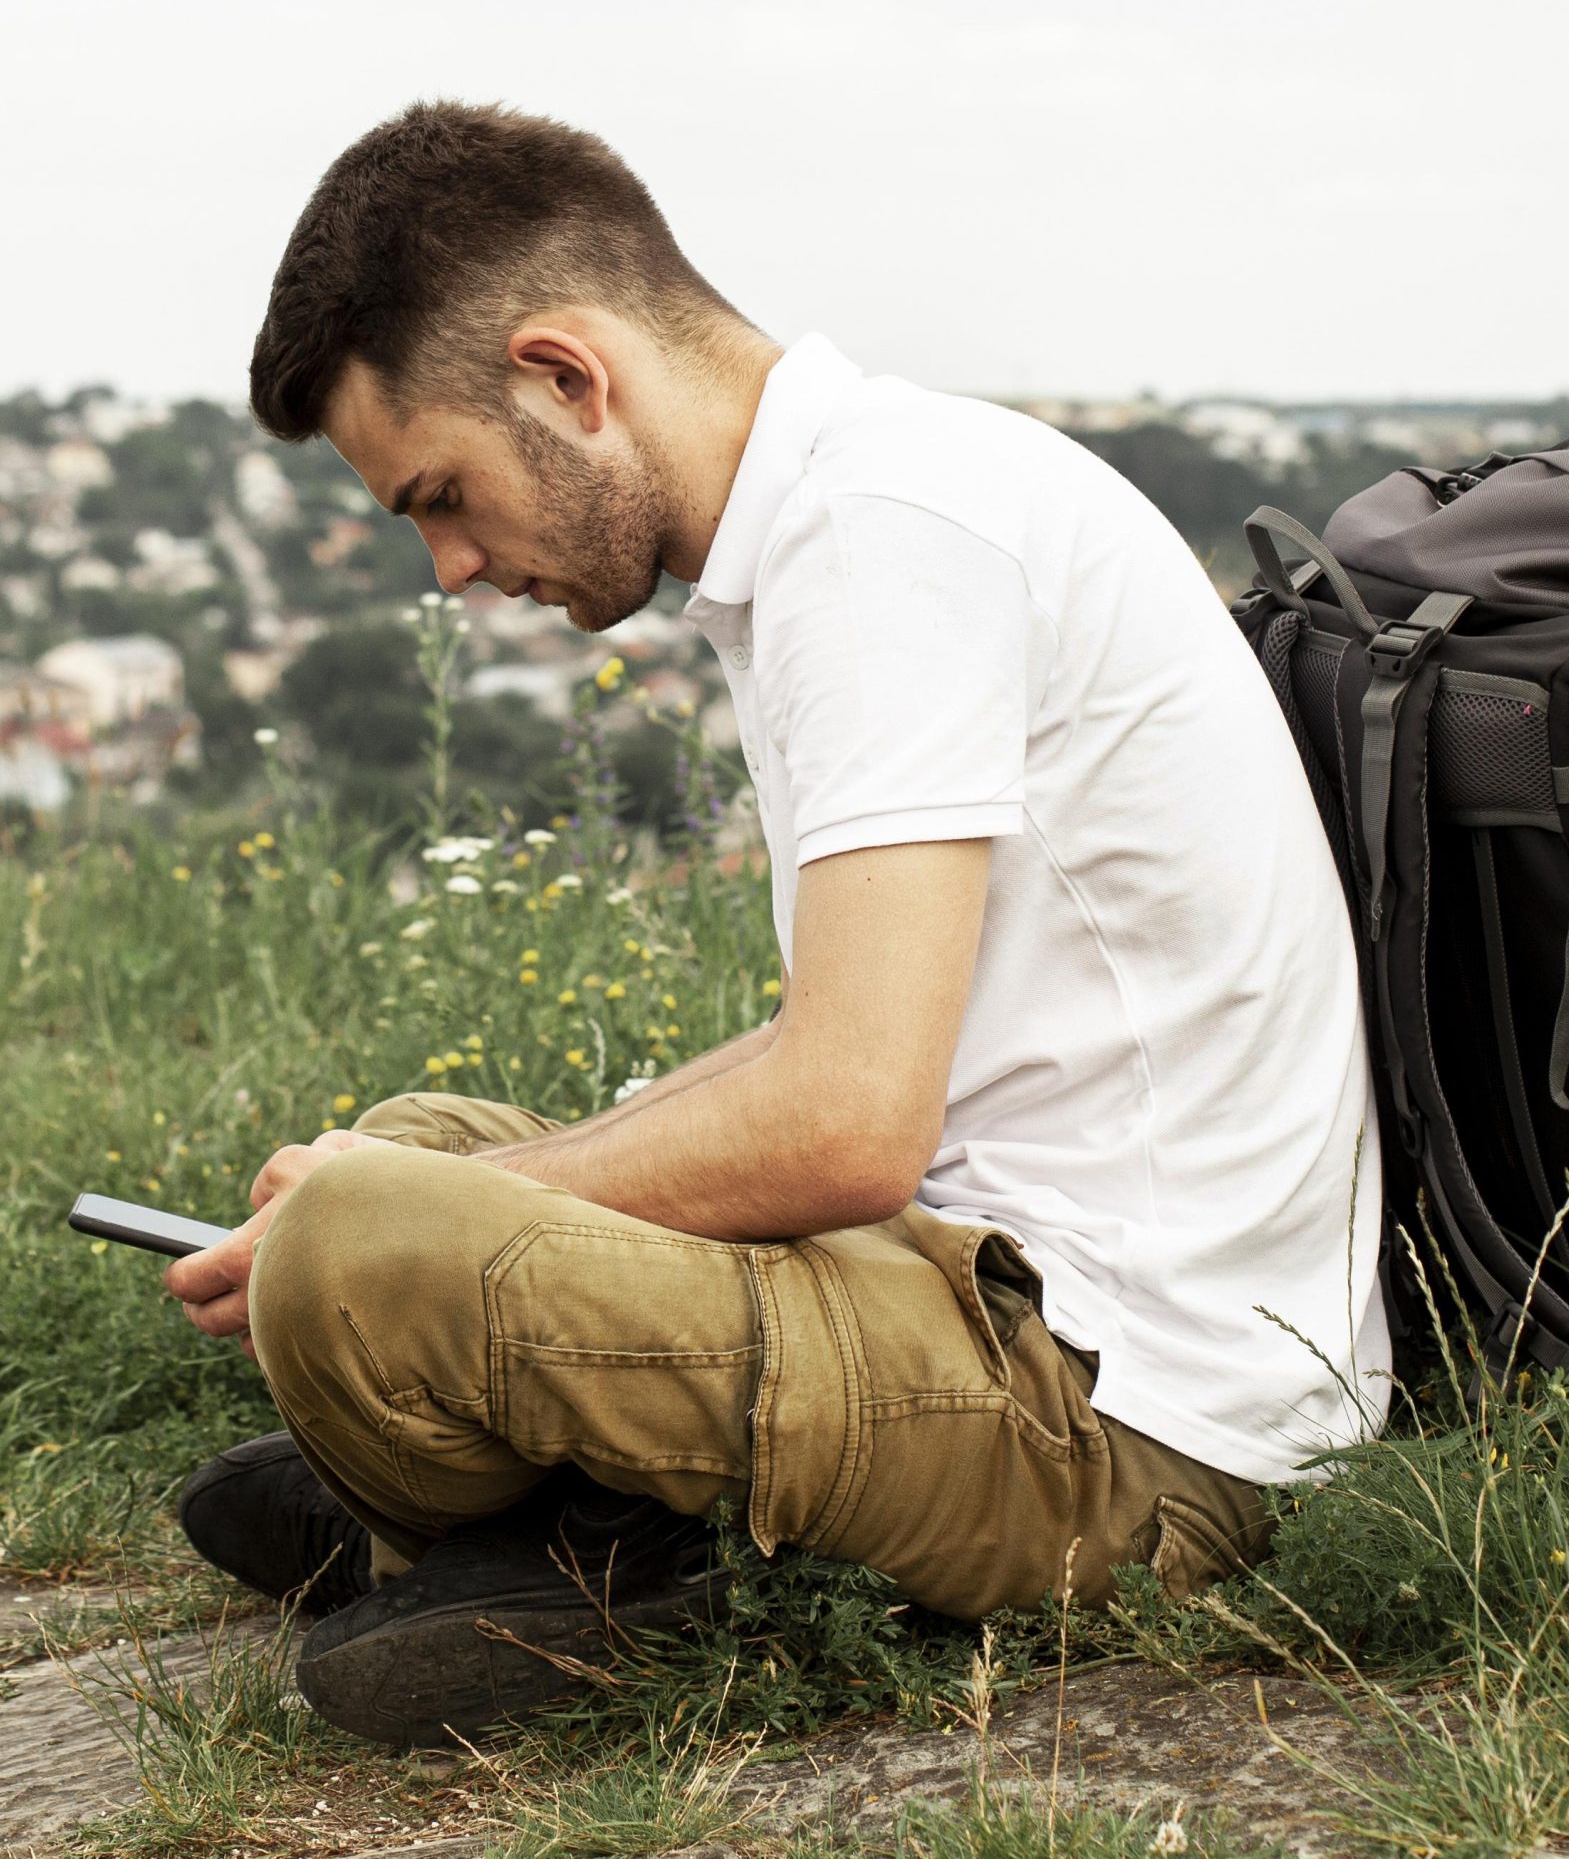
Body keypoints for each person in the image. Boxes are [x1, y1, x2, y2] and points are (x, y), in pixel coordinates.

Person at [166, 99, 1388, 1747]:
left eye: (442, 495)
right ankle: (562, 1517)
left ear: (567, 379)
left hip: (1130, 1429)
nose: (453, 567)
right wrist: (439, 1183)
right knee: (404, 1148)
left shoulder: (883, 545)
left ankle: (580, 1545)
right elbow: (853, 1047)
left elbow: (845, 1130)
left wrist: (417, 1222)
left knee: (368, 1238)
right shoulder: (865, 505)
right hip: (999, 1285)